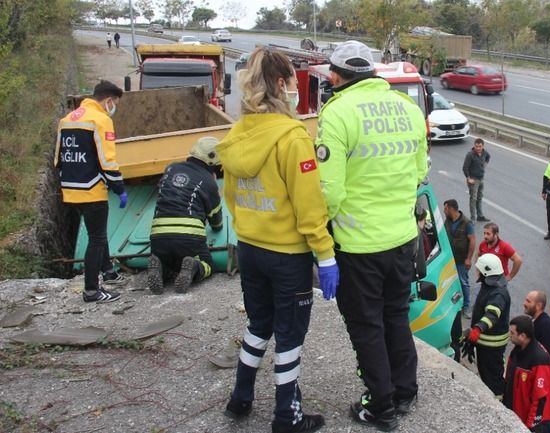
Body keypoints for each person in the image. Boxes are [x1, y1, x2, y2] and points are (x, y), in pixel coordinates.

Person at [218, 47, 336, 433]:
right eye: (293, 84)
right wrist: (325, 253)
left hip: (250, 247)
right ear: (282, 85)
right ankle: (288, 416)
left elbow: (231, 197)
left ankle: (241, 398)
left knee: (258, 323)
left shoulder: (237, 135)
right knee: (290, 335)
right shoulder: (292, 137)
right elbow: (309, 205)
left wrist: (253, 226)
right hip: (287, 256)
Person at [315, 40, 428, 432]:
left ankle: (380, 405)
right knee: (396, 316)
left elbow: (329, 191)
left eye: (330, 72)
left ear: (337, 75)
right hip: (401, 240)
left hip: (358, 246)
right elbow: (418, 173)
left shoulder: (337, 113)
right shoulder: (408, 108)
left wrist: (320, 233)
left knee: (366, 326)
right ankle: (405, 390)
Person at [55, 80, 126, 303]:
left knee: (98, 232)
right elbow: (107, 160)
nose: (113, 106)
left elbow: (58, 159)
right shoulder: (101, 120)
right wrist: (119, 188)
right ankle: (92, 290)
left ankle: (109, 271)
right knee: (96, 239)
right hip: (92, 189)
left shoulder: (67, 120)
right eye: (114, 102)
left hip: (70, 190)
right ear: (108, 100)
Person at [147, 137, 223, 294]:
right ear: (212, 161)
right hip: (189, 236)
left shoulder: (171, 168)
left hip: (158, 234)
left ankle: (160, 267)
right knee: (208, 264)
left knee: (170, 262)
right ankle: (195, 266)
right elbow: (216, 222)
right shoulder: (209, 182)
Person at [464, 253, 511, 399]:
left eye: (478, 269)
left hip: (492, 345)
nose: (476, 272)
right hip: (486, 344)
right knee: (486, 374)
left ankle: (499, 406)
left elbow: (492, 314)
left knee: (493, 378)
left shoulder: (498, 293)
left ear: (486, 272)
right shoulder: (490, 287)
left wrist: (478, 329)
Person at [504, 315, 550, 433]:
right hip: (518, 414)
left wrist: (531, 426)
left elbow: (539, 398)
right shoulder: (517, 351)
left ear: (523, 336)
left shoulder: (539, 359)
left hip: (536, 421)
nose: (510, 335)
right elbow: (509, 380)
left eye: (512, 333)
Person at [443, 199, 476, 316]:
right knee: (448, 282)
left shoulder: (467, 223)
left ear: (452, 209)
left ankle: (466, 306)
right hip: (449, 259)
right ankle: (453, 305)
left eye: (445, 209)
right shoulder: (447, 221)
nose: (444, 211)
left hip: (461, 259)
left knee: (463, 282)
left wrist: (469, 258)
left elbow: (472, 241)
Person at [523, 290, 550, 384]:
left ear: (538, 306)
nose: (524, 303)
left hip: (543, 378)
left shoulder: (545, 325)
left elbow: (545, 354)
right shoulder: (535, 320)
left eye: (528, 301)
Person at [462, 137, 491, 222]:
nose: (478, 148)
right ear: (474, 146)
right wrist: (468, 178)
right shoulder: (470, 155)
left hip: (481, 179)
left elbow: (488, 157)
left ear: (483, 146)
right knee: (473, 199)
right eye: (476, 146)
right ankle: (473, 218)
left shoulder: (484, 153)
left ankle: (480, 216)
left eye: (480, 146)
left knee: (479, 197)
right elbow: (465, 168)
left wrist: (484, 166)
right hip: (473, 180)